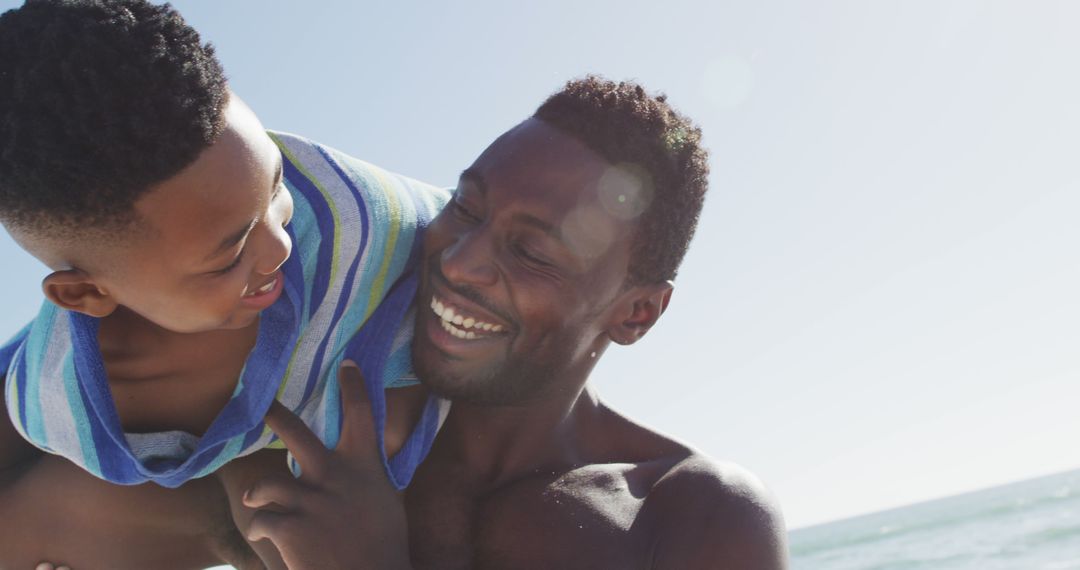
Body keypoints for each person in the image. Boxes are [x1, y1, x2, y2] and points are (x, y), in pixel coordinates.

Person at [243, 77, 790, 569]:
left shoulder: (693, 515)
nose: (457, 262)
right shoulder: (311, 441)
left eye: (530, 251)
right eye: (465, 208)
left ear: (636, 313)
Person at [0, 0, 446, 567]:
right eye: (229, 254)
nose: (279, 246)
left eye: (275, 184)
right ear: (85, 295)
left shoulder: (354, 216)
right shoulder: (56, 401)